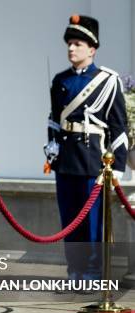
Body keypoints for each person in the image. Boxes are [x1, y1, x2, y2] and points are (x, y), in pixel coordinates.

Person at [45, 15, 127, 285]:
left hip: (94, 161)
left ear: (92, 48)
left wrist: (115, 168)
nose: (71, 48)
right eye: (69, 43)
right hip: (66, 160)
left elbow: (118, 127)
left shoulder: (108, 81)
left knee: (93, 224)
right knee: (70, 221)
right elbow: (54, 120)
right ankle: (75, 273)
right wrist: (51, 152)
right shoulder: (60, 80)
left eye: (77, 43)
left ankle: (93, 274)